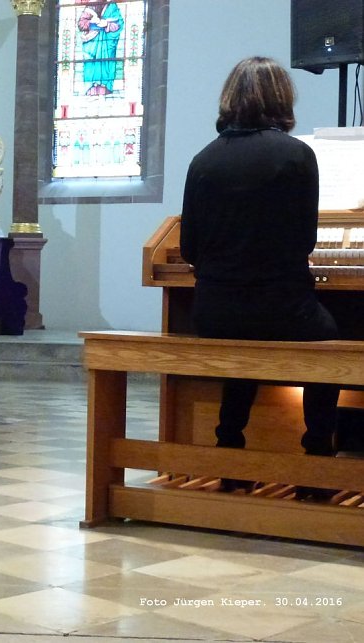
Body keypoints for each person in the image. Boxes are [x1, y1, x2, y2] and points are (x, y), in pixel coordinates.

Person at [179, 56, 339, 501]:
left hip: (214, 314)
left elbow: (189, 247)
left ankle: (230, 452)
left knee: (243, 342)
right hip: (281, 308)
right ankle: (316, 461)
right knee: (330, 340)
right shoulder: (297, 155)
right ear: (282, 100)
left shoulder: (203, 160)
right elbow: (305, 240)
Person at [77, 1, 122, 96]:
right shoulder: (90, 6)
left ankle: (105, 86)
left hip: (107, 42)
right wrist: (91, 23)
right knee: (90, 63)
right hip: (91, 43)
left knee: (106, 62)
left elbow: (119, 24)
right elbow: (81, 24)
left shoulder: (112, 6)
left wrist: (107, 24)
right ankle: (90, 86)